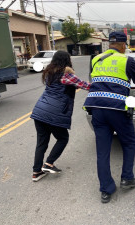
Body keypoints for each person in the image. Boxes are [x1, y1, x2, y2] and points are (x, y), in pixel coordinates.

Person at [83, 32, 135, 203]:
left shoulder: (96, 59)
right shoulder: (126, 60)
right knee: (128, 142)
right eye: (125, 45)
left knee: (102, 150)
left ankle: (106, 190)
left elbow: (96, 80)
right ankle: (127, 178)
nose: (125, 48)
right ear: (122, 45)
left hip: (97, 108)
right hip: (117, 108)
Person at [31, 50, 90, 182]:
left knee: (41, 142)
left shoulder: (48, 73)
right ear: (67, 60)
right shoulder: (66, 74)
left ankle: (36, 172)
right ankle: (49, 164)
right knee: (63, 138)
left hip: (40, 111)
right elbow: (86, 85)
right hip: (55, 113)